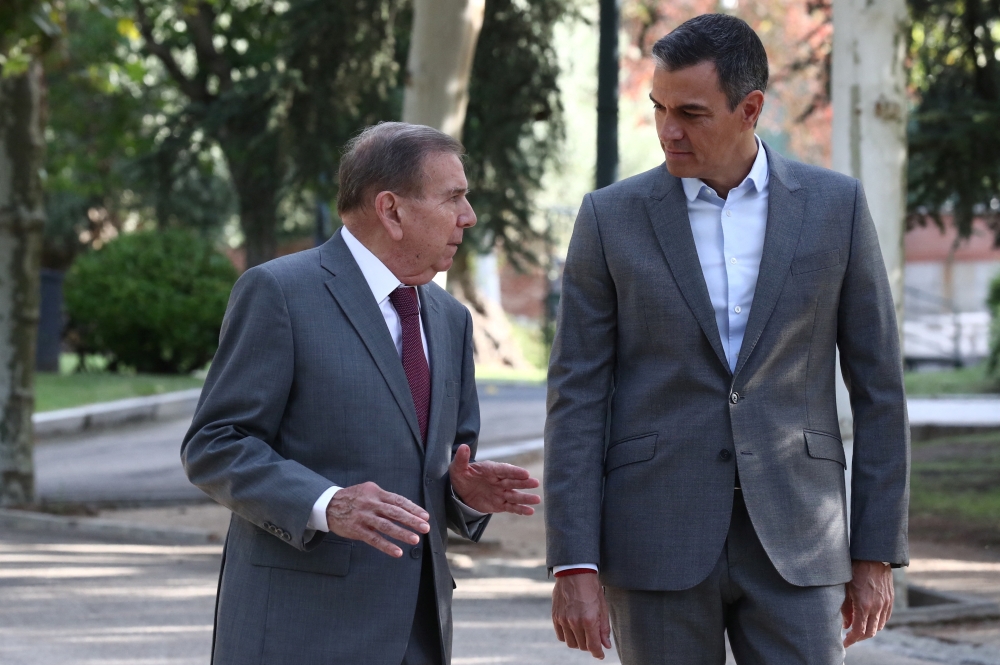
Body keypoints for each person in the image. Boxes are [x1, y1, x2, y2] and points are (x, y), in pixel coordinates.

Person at [544, 14, 909, 664]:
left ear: (750, 109)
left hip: (800, 535)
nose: (667, 130)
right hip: (655, 539)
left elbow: (880, 389)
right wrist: (573, 560)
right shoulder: (608, 218)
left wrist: (875, 550)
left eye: (690, 113)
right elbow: (576, 396)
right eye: (659, 108)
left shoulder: (837, 208)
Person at [182, 121, 541, 665]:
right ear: (391, 210)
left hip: (419, 634)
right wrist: (328, 504)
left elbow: (440, 465)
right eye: (453, 198)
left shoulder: (451, 318)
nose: (468, 216)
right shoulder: (280, 292)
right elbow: (215, 444)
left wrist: (463, 494)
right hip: (300, 632)